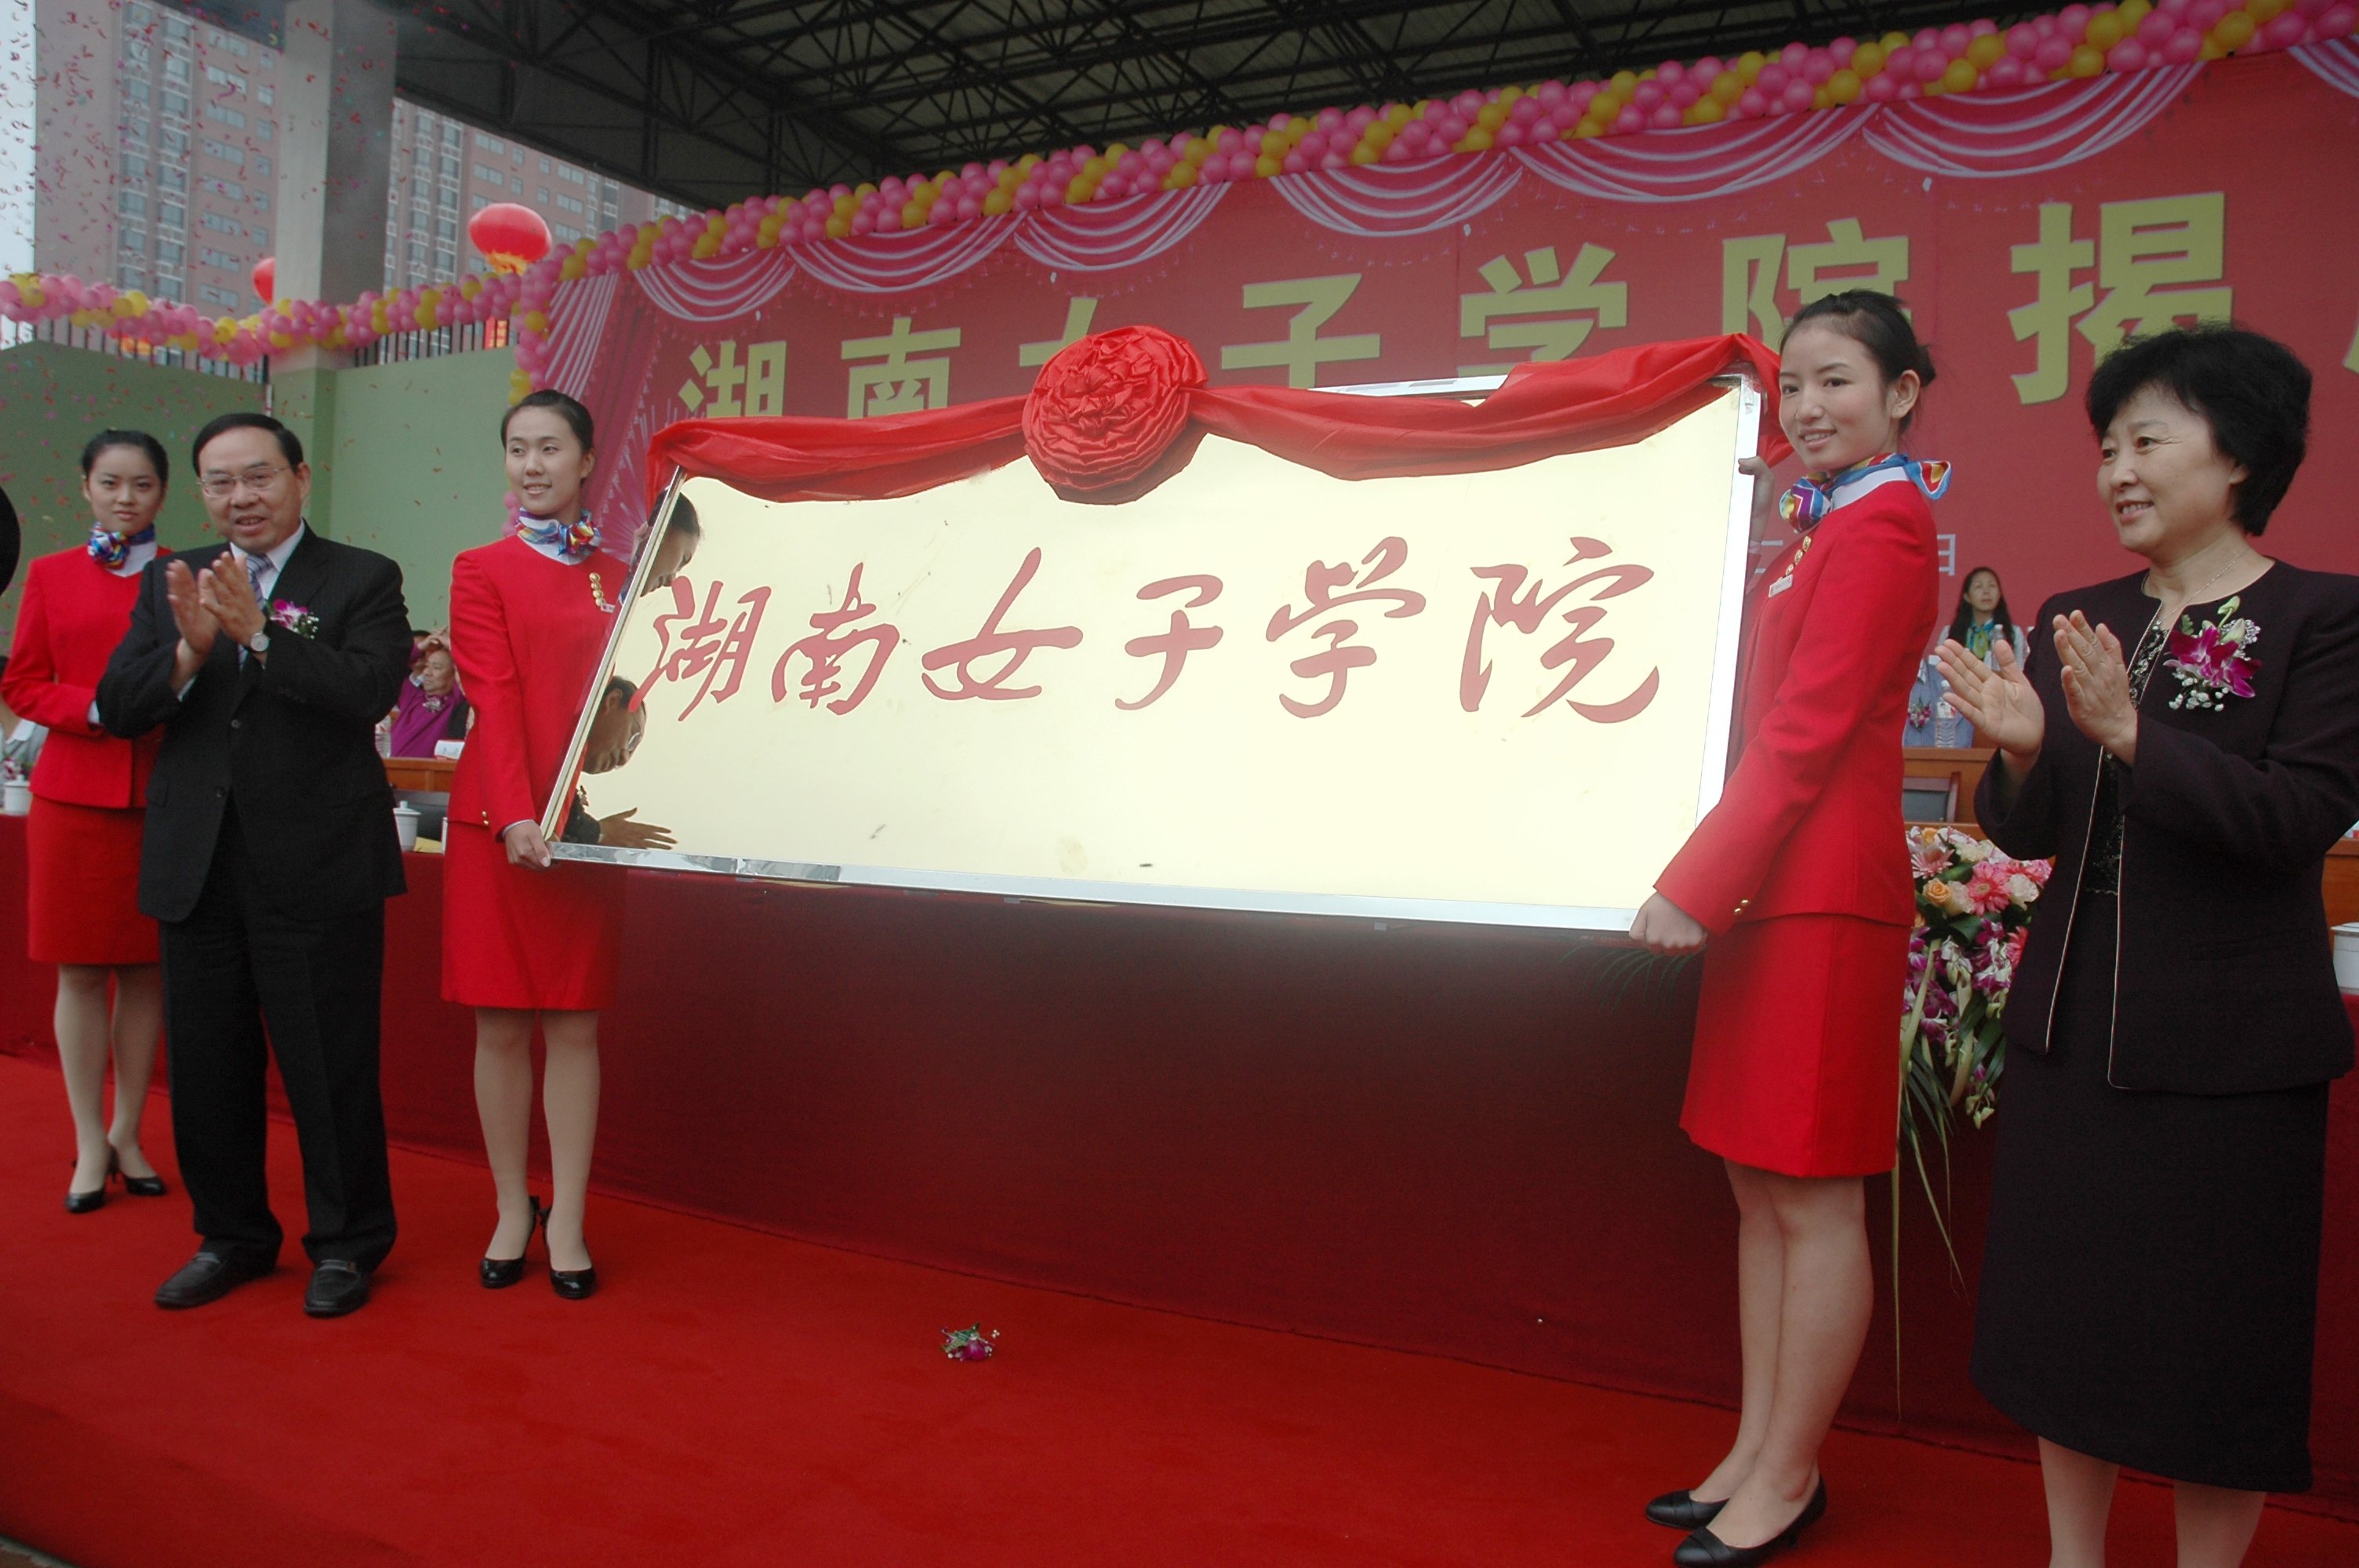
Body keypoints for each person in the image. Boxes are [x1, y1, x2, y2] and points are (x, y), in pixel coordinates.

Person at [1937, 325, 2358, 1568]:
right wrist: (2024, 752)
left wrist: (2134, 736)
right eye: (2107, 447)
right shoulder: (2085, 615)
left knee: (2218, 1348)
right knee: (2068, 1331)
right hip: (2073, 1037)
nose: (2116, 470)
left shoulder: (2322, 617)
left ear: (2239, 455)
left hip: (2231, 1053)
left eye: (2147, 442)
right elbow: (2039, 832)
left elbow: (2296, 818)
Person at [1630, 290, 1943, 1566]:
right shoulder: (1825, 522)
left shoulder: (1886, 526)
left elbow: (1807, 732)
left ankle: (1791, 1470)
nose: (1807, 409)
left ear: (1902, 394)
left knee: (1810, 1200)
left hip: (1819, 896)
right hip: (1774, 890)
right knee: (1759, 1189)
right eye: (1793, 386)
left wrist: (1696, 882)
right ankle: (1757, 1450)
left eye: (1836, 382)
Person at [96, 412, 412, 1319]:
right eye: (221, 481)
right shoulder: (173, 579)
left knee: (328, 1063)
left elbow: (368, 689)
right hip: (198, 862)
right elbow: (119, 704)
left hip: (317, 862)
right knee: (207, 1066)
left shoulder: (361, 576)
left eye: (259, 475)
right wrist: (190, 649)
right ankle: (231, 1235)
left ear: (300, 478)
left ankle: (346, 1243)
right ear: (201, 491)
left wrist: (264, 636)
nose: (241, 496)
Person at [445, 390, 670, 1301]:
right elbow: (491, 695)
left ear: (585, 461)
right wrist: (513, 814)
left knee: (575, 1023)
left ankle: (568, 1214)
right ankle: (512, 1205)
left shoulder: (626, 575)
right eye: (517, 449)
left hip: (585, 830)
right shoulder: (480, 567)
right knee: (500, 1024)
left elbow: (644, 699)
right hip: (498, 825)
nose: (531, 464)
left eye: (549, 448)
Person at [3, 432, 175, 1213]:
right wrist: (99, 709)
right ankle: (87, 1140)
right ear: (86, 488)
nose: (125, 497)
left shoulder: (184, 573)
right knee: (77, 971)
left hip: (160, 798)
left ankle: (128, 1131)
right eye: (110, 482)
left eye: (142, 484)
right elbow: (23, 683)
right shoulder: (49, 573)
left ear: (162, 493)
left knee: (144, 972)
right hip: (71, 798)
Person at [386, 634, 470, 757]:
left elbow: (470, 671)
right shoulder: (411, 696)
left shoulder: (457, 702)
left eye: (436, 668)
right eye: (427, 666)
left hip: (426, 769)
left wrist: (452, 646)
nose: (427, 672)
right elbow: (390, 667)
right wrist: (420, 647)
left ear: (454, 675)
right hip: (393, 765)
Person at [1945, 566, 2027, 666]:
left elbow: (2020, 668)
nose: (1986, 592)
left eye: (1992, 586)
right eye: (1978, 587)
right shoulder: (1949, 632)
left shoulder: (2014, 632)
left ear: (2000, 594)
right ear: (1967, 596)